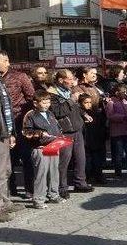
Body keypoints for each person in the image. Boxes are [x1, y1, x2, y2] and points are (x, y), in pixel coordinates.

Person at [48, 69, 94, 198]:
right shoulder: (52, 94)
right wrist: (71, 100)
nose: (73, 80)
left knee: (81, 158)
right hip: (64, 131)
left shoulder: (69, 91)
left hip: (77, 129)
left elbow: (75, 108)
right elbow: (58, 112)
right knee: (64, 161)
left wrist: (83, 114)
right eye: (70, 78)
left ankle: (80, 183)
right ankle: (62, 187)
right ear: (61, 80)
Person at [0, 50, 35, 198]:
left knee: (26, 158)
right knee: (8, 161)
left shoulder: (20, 77)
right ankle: (10, 190)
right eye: (3, 60)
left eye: (6, 60)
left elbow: (32, 98)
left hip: (20, 123)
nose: (6, 63)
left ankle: (29, 190)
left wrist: (29, 119)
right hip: (2, 126)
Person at [22, 90, 66, 208]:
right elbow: (26, 132)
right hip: (40, 148)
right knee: (41, 174)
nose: (47, 104)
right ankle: (39, 199)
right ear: (36, 103)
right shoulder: (30, 115)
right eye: (44, 102)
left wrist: (61, 136)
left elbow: (57, 127)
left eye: (48, 102)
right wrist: (40, 134)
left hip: (53, 146)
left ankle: (53, 195)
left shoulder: (50, 114)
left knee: (54, 172)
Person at [0, 76, 21, 222]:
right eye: (4, 60)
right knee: (0, 171)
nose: (7, 63)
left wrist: (11, 132)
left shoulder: (1, 82)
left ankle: (5, 202)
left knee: (6, 170)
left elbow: (7, 109)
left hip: (4, 131)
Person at [106, 84, 127, 177]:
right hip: (117, 132)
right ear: (117, 93)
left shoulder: (126, 101)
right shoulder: (111, 102)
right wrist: (123, 117)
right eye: (123, 92)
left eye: (125, 92)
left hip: (126, 130)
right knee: (118, 152)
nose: (125, 94)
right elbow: (110, 116)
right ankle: (118, 170)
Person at [78, 93, 107, 184]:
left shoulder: (96, 113)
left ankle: (98, 176)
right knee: (88, 161)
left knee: (97, 160)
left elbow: (102, 125)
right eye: (86, 102)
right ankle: (88, 177)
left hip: (96, 139)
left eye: (90, 102)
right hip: (85, 140)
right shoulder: (79, 113)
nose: (88, 104)